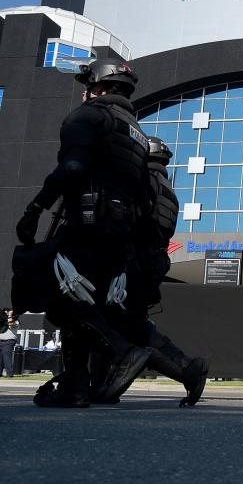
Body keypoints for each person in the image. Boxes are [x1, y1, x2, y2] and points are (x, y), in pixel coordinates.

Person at [15, 58, 153, 407]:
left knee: (54, 290)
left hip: (87, 220)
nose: (84, 91)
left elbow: (72, 167)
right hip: (120, 230)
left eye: (87, 84)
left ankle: (122, 351)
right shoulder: (137, 133)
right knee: (81, 302)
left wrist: (36, 208)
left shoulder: (89, 116)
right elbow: (145, 196)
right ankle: (76, 387)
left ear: (100, 87)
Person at [87, 136, 209, 407]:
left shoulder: (144, 183)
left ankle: (98, 383)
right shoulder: (169, 191)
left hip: (132, 261)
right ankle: (188, 369)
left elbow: (128, 219)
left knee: (106, 320)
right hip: (152, 264)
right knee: (135, 326)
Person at [0, 309, 18, 377]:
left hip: (8, 341)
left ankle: (9, 373)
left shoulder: (16, 321)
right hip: (0, 341)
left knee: (7, 357)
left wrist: (10, 315)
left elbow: (10, 324)